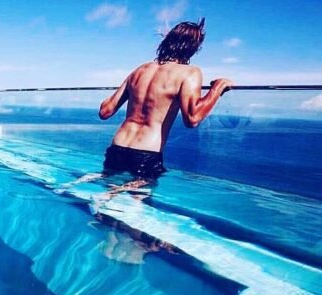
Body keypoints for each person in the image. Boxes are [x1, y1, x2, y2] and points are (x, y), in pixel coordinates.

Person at [97, 18, 233, 182]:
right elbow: (192, 118)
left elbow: (105, 111)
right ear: (193, 48)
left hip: (118, 146)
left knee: (110, 188)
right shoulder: (189, 72)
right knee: (139, 196)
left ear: (168, 41)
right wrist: (217, 88)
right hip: (146, 151)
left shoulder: (140, 70)